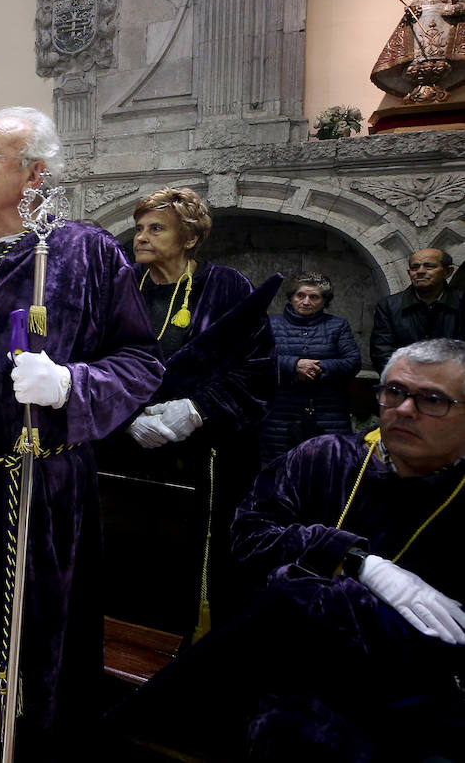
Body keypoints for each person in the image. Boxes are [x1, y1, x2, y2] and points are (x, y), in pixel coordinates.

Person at [0, 107, 164, 761]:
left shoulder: (86, 253)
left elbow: (141, 361)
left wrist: (73, 385)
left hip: (41, 487)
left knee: (35, 642)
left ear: (34, 174)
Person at [108, 338, 465, 761]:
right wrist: (352, 560)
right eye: (395, 392)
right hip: (287, 682)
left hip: (410, 704)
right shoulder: (324, 456)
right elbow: (249, 537)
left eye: (432, 400)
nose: (405, 409)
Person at [97, 186, 278, 639]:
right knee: (125, 563)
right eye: (139, 228)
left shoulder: (227, 286)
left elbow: (258, 371)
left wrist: (197, 409)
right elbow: (92, 363)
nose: (141, 237)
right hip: (126, 452)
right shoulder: (118, 289)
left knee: (196, 566)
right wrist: (124, 416)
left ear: (191, 238)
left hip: (208, 460)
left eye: (156, 228)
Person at [262, 272, 362, 461]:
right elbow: (258, 358)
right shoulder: (271, 324)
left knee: (326, 469)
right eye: (300, 295)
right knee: (278, 472)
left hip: (328, 414)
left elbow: (352, 361)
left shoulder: (337, 326)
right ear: (291, 297)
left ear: (324, 301)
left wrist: (315, 370)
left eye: (314, 297)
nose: (306, 302)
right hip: (280, 415)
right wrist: (293, 365)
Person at [371, 0, 465, 104]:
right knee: (420, 58)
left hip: (443, 36)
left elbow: (461, 9)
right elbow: (410, 18)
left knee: (440, 60)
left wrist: (452, 9)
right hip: (421, 39)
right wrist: (410, 12)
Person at [371, 247, 460, 371]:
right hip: (406, 382)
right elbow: (382, 352)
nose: (420, 271)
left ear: (448, 272)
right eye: (415, 267)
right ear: (409, 273)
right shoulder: (389, 306)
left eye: (429, 266)